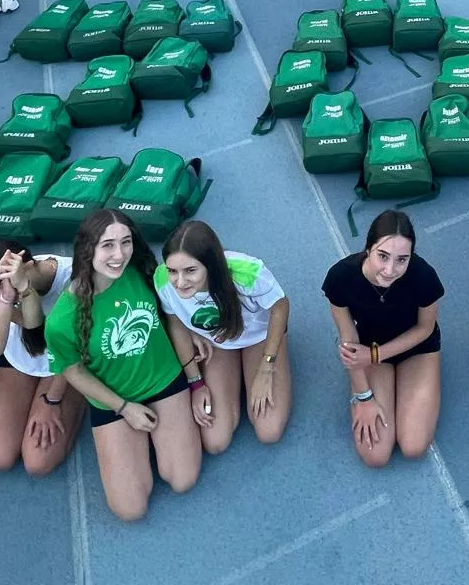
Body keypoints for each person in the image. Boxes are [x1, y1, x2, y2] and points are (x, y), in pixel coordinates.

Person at [46, 210, 202, 521]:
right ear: (88, 248)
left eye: (126, 242)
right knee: (130, 509)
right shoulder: (61, 319)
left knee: (182, 479)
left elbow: (170, 313)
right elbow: (73, 371)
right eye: (108, 245)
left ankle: (157, 444)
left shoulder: (142, 270)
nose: (119, 255)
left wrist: (191, 339)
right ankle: (133, 446)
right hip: (114, 398)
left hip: (163, 379)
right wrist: (124, 407)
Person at [156, 220, 293, 452]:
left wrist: (266, 368)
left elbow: (280, 307)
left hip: (258, 337)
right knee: (214, 441)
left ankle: (259, 367)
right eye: (172, 271)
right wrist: (196, 384)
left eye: (190, 270)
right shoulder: (162, 281)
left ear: (211, 265)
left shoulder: (248, 272)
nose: (179, 281)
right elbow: (176, 324)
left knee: (269, 430)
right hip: (217, 343)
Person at [323, 209, 444, 468]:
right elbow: (349, 342)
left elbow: (425, 329)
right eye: (383, 256)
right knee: (375, 455)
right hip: (365, 349)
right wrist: (364, 397)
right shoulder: (340, 278)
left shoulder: (424, 277)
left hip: (415, 349)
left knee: (413, 446)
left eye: (402, 259)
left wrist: (375, 355)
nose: (390, 270)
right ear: (368, 248)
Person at [0, 240, 87, 475]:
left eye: (0, 282)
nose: (0, 292)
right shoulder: (4, 294)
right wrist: (6, 300)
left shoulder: (75, 281)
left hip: (69, 362)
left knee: (38, 462)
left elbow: (59, 344)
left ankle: (80, 398)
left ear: (29, 265)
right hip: (22, 358)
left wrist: (51, 402)